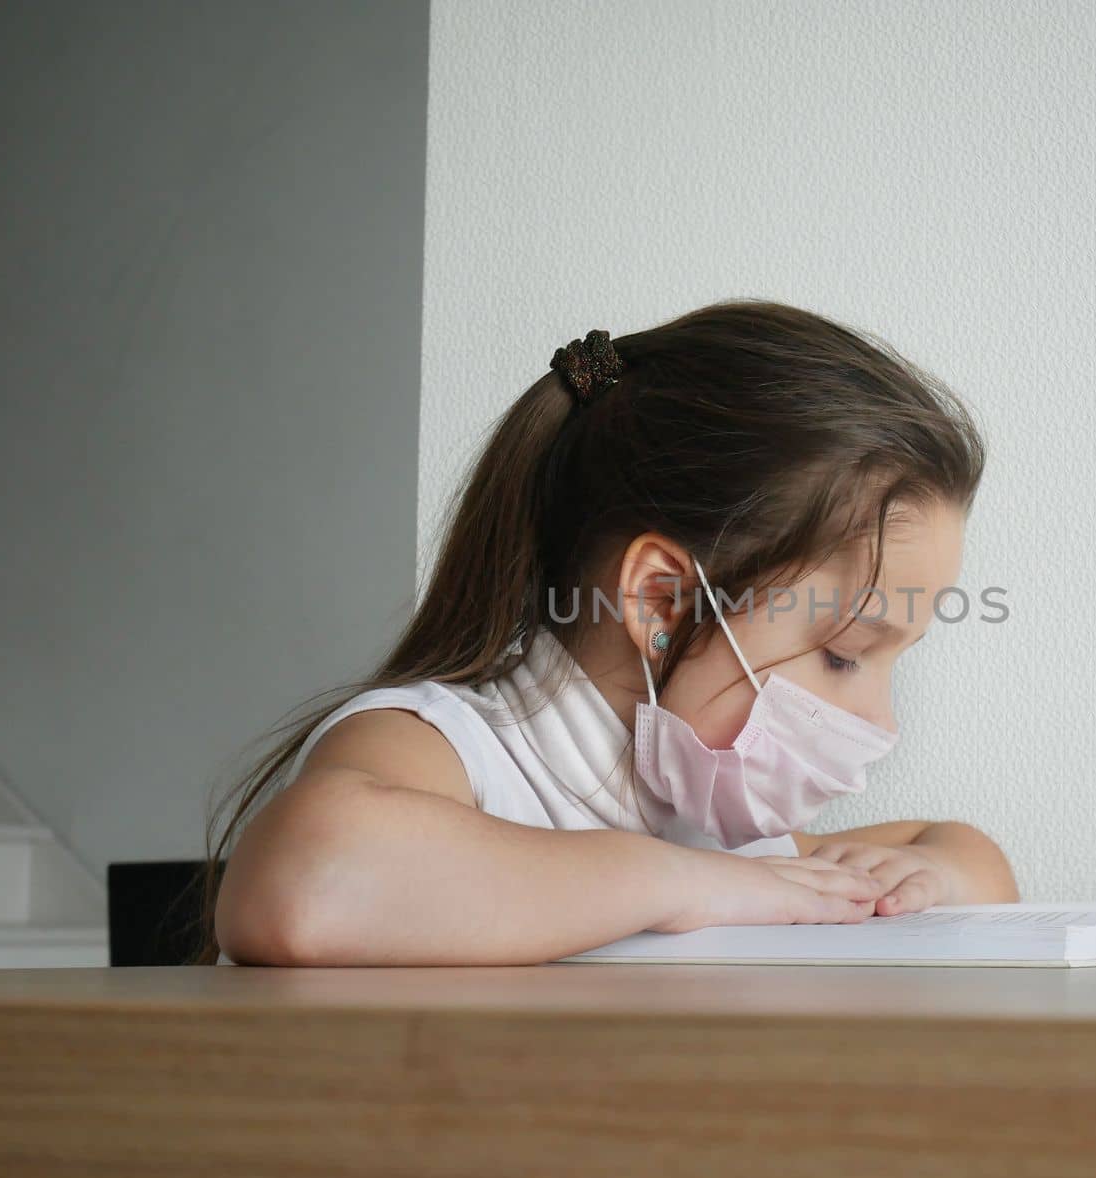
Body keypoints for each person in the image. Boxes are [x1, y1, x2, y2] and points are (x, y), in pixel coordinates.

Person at [199, 299, 1018, 966]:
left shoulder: (708, 808)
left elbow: (971, 858)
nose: (880, 723)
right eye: (844, 654)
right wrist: (682, 883)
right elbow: (304, 884)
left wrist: (934, 872)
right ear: (662, 602)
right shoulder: (451, 752)